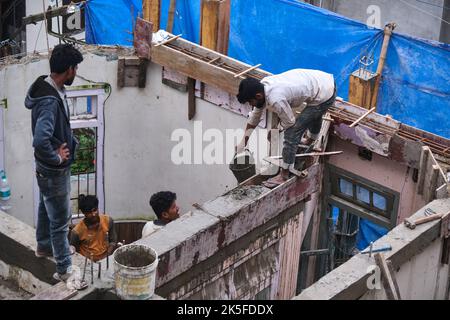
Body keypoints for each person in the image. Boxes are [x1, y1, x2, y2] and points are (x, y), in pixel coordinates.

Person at [25, 44, 83, 284]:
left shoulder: (47, 87)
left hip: (45, 170)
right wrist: (57, 157)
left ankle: (43, 246)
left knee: (44, 206)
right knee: (60, 220)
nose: (76, 72)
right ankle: (63, 268)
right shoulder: (49, 100)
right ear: (68, 69)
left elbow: (53, 131)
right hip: (53, 170)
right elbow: (40, 140)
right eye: (76, 68)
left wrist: (70, 140)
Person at [236, 68, 336, 188]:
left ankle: (284, 175)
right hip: (323, 81)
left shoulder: (276, 98)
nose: (251, 105)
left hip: (325, 93)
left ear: (258, 96)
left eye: (250, 102)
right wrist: (243, 142)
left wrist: (276, 130)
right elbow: (254, 117)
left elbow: (289, 122)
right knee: (314, 115)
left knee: (292, 133)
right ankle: (310, 140)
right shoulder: (263, 85)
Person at [70, 195, 117, 262]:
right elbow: (74, 251)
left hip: (105, 259)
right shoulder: (77, 231)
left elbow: (113, 241)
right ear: (84, 213)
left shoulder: (108, 221)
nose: (93, 214)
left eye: (95, 210)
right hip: (87, 262)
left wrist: (107, 254)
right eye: (89, 212)